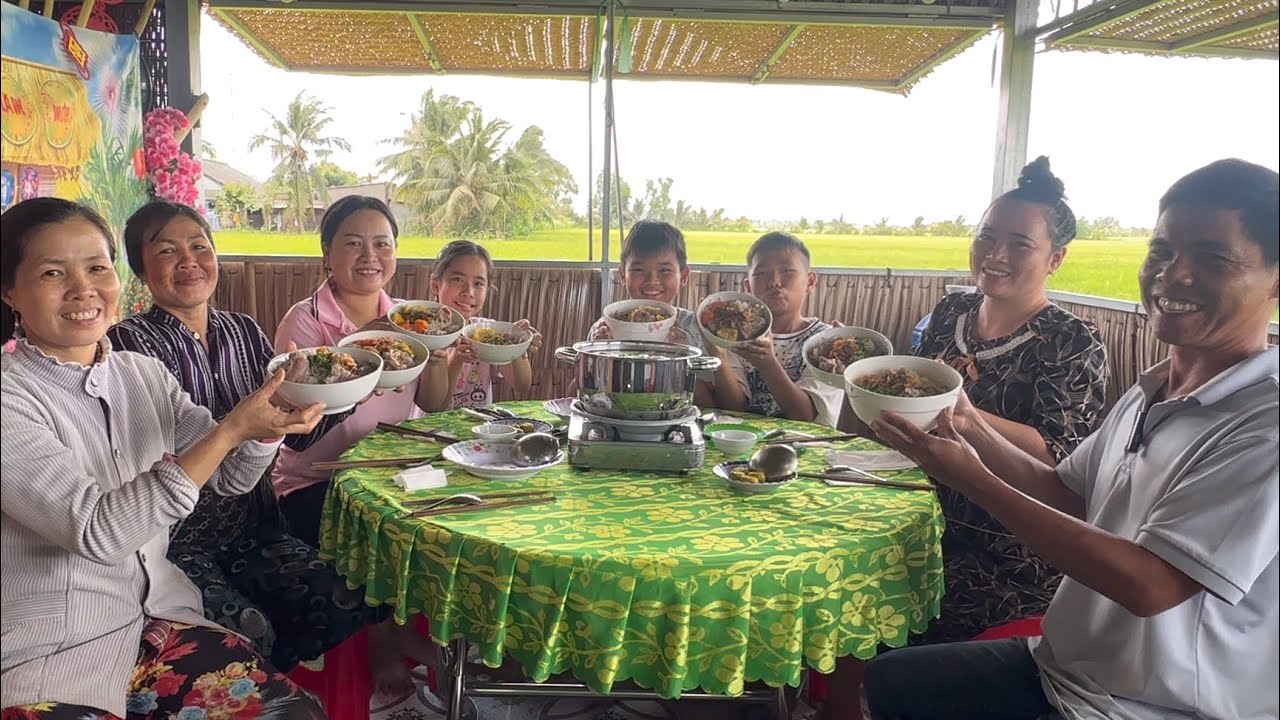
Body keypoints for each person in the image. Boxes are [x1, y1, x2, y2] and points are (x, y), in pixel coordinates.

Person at [863, 158, 1279, 720]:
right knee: (889, 683)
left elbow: (1149, 585)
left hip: (1144, 705)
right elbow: (1070, 495)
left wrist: (972, 478)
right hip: (1065, 666)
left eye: (1212, 258)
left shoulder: (1262, 423)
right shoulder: (1149, 392)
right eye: (1162, 251)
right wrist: (968, 423)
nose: (1174, 275)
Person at [0, 197, 325, 718]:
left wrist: (268, 426)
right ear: (9, 291)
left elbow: (233, 478)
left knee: (295, 712)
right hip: (51, 653)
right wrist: (230, 430)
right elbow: (99, 532)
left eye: (96, 267)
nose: (84, 289)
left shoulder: (141, 374)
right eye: (53, 272)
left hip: (158, 621)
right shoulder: (11, 397)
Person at [819, 158, 1109, 720]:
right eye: (987, 237)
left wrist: (970, 415)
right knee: (830, 584)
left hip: (1000, 545)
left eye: (1019, 244)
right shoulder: (953, 308)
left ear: (1056, 258)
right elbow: (907, 392)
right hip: (913, 507)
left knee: (876, 631)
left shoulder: (1071, 342)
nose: (996, 255)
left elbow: (1061, 458)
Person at [107, 200, 373, 673]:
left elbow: (294, 438)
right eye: (167, 251)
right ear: (140, 270)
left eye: (199, 246)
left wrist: (347, 392)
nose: (189, 260)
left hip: (257, 524)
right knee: (250, 631)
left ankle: (279, 681)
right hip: (176, 543)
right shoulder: (128, 346)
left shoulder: (244, 331)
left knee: (349, 597)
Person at [270, 195, 442, 694]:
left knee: (453, 515)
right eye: (353, 243)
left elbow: (431, 404)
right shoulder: (304, 323)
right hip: (314, 478)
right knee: (374, 525)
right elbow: (292, 423)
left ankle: (427, 633)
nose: (370, 255)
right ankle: (390, 642)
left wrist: (438, 355)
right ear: (328, 254)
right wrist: (363, 353)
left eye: (381, 243)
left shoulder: (409, 321)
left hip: (392, 467)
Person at [711, 231, 843, 426]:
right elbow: (734, 409)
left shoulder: (826, 342)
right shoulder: (735, 335)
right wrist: (718, 354)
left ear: (810, 281)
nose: (774, 282)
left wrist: (768, 365)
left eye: (787, 271)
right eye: (761, 274)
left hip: (808, 450)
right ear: (749, 286)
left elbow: (804, 416)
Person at [586, 220, 722, 406]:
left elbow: (710, 406)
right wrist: (596, 358)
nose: (652, 280)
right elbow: (576, 396)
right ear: (623, 275)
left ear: (683, 276)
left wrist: (683, 358)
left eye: (664, 270)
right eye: (639, 269)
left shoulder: (695, 328)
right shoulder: (606, 328)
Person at [420, 240, 544, 411]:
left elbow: (522, 386)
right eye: (458, 279)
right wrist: (457, 358)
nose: (468, 292)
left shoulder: (487, 333)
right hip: (428, 431)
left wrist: (517, 345)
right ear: (436, 285)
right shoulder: (422, 335)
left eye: (478, 284)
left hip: (478, 431)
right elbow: (435, 408)